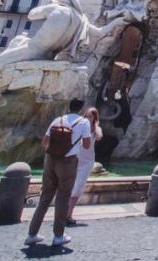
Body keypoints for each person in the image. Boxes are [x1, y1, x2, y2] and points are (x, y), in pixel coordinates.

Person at [26, 97, 91, 248]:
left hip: (50, 160)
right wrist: (74, 143)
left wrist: (57, 149)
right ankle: (58, 236)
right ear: (81, 109)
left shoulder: (58, 120)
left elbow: (44, 143)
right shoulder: (84, 122)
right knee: (63, 198)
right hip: (67, 162)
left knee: (44, 198)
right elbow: (87, 145)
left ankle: (31, 234)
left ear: (69, 106)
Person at [67, 106, 103, 225]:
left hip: (87, 161)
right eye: (86, 116)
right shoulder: (80, 126)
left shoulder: (96, 128)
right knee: (70, 185)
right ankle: (66, 214)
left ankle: (69, 214)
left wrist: (95, 126)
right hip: (75, 158)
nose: (88, 118)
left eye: (90, 116)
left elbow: (99, 136)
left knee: (78, 187)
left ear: (94, 118)